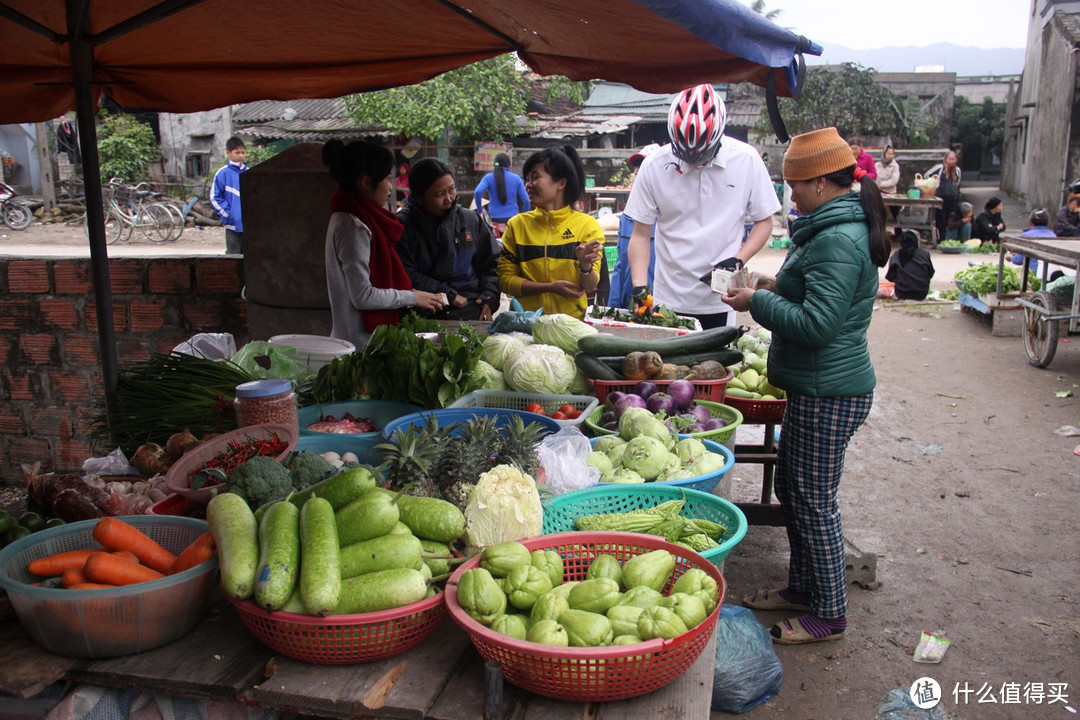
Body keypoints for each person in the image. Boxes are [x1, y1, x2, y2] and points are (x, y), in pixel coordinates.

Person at [722, 126, 889, 645]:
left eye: (795, 186)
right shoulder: (827, 229)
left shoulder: (838, 238)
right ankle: (802, 588)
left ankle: (830, 613)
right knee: (795, 492)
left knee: (814, 502)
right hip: (816, 386)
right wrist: (771, 285)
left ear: (820, 182)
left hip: (830, 391)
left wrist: (758, 304)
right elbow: (814, 294)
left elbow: (818, 325)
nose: (791, 196)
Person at [625, 84, 781, 329]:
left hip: (720, 299)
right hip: (668, 298)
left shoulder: (747, 160)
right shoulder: (654, 166)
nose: (695, 163)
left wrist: (738, 259)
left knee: (717, 365)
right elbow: (641, 235)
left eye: (702, 155)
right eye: (686, 156)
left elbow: (765, 222)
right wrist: (639, 287)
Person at [322, 140, 445, 349]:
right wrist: (411, 297)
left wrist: (413, 294)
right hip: (361, 345)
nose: (390, 186)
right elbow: (363, 296)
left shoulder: (350, 216)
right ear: (366, 182)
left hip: (360, 341)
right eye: (387, 178)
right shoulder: (353, 226)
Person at [497, 145, 603, 320]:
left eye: (535, 178)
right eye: (527, 179)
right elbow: (505, 281)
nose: (528, 185)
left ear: (561, 183)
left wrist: (585, 265)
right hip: (524, 326)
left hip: (569, 326)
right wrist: (549, 287)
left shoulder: (587, 225)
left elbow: (590, 285)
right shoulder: (517, 225)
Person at [396, 158, 499, 321]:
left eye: (451, 189)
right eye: (439, 194)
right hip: (423, 314)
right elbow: (403, 272)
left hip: (470, 309)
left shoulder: (471, 220)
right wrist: (448, 295)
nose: (449, 199)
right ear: (419, 198)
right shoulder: (402, 226)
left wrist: (490, 296)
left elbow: (492, 263)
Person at [608, 144, 659, 309]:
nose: (637, 174)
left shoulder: (669, 218)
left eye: (643, 170)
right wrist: (613, 307)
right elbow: (620, 265)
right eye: (637, 170)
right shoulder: (628, 216)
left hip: (658, 305)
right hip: (629, 303)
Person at [472, 153, 530, 238]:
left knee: (496, 248)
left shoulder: (488, 178)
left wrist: (480, 211)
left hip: (495, 221)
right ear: (509, 166)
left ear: (494, 164)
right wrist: (525, 216)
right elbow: (526, 200)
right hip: (513, 220)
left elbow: (477, 192)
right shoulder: (516, 179)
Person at [211, 137, 248, 255]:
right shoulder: (222, 173)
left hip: (249, 225)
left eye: (243, 152)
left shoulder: (249, 172)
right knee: (233, 257)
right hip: (233, 225)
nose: (241, 156)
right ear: (228, 153)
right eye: (237, 152)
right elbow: (215, 198)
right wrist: (228, 214)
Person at [886, 229, 935, 300]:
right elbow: (931, 273)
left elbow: (890, 277)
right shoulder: (924, 254)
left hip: (901, 293)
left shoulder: (896, 256)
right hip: (921, 293)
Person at [929, 151, 961, 241]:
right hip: (940, 197)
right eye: (949, 159)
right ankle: (941, 238)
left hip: (953, 198)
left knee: (950, 218)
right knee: (940, 219)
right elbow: (927, 174)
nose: (951, 161)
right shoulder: (940, 168)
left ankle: (950, 238)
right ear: (945, 160)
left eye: (953, 159)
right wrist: (933, 185)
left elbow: (958, 182)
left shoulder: (957, 170)